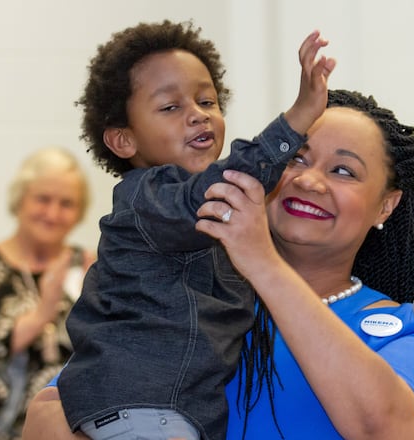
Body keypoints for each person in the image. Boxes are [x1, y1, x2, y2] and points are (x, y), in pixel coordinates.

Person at [22, 89, 414, 440]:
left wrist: (263, 263)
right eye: (295, 157)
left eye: (343, 171)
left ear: (386, 205)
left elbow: (382, 427)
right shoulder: (182, 300)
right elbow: (49, 417)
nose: (308, 180)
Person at [54, 20, 336, 440]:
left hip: (165, 414)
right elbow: (223, 186)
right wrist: (296, 120)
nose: (197, 115)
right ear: (123, 140)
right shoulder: (148, 198)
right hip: (144, 411)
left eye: (208, 100)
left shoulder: (190, 216)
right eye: (170, 107)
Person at [0, 146, 94, 440]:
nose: (52, 213)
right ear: (19, 200)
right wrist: (43, 312)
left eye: (66, 203)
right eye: (42, 199)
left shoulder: (89, 266)